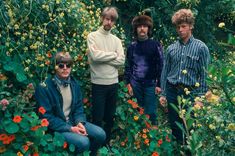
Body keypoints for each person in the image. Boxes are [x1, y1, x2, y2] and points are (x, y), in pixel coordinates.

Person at [34, 52, 106, 155]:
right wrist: (70, 128)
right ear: (55, 67)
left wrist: (79, 122)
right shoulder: (44, 87)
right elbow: (46, 117)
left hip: (73, 121)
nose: (65, 68)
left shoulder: (73, 83)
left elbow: (78, 108)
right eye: (61, 65)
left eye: (68, 65)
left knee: (101, 134)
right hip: (57, 128)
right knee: (84, 142)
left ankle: (91, 154)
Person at [160, 9, 210, 144]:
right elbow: (165, 72)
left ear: (190, 26)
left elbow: (204, 75)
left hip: (190, 93)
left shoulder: (201, 48)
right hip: (172, 91)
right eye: (178, 27)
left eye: (183, 26)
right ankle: (177, 150)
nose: (180, 30)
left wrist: (200, 98)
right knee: (175, 126)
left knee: (189, 128)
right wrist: (163, 94)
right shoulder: (171, 48)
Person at [86, 7, 125, 144]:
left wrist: (103, 56)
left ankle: (106, 144)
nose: (109, 22)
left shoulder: (116, 40)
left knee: (109, 118)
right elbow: (95, 57)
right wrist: (113, 55)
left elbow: (121, 60)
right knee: (97, 118)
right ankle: (95, 147)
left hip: (113, 84)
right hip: (98, 84)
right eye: (107, 19)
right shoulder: (92, 36)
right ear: (102, 18)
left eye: (112, 20)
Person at [124, 15, 163, 125]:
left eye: (145, 26)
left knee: (151, 112)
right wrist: (128, 83)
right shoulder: (132, 46)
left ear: (148, 28)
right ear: (136, 29)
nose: (142, 28)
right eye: (139, 26)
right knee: (137, 111)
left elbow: (160, 65)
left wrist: (159, 84)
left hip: (150, 84)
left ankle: (153, 138)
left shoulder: (155, 45)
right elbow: (128, 66)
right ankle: (139, 138)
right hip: (135, 84)